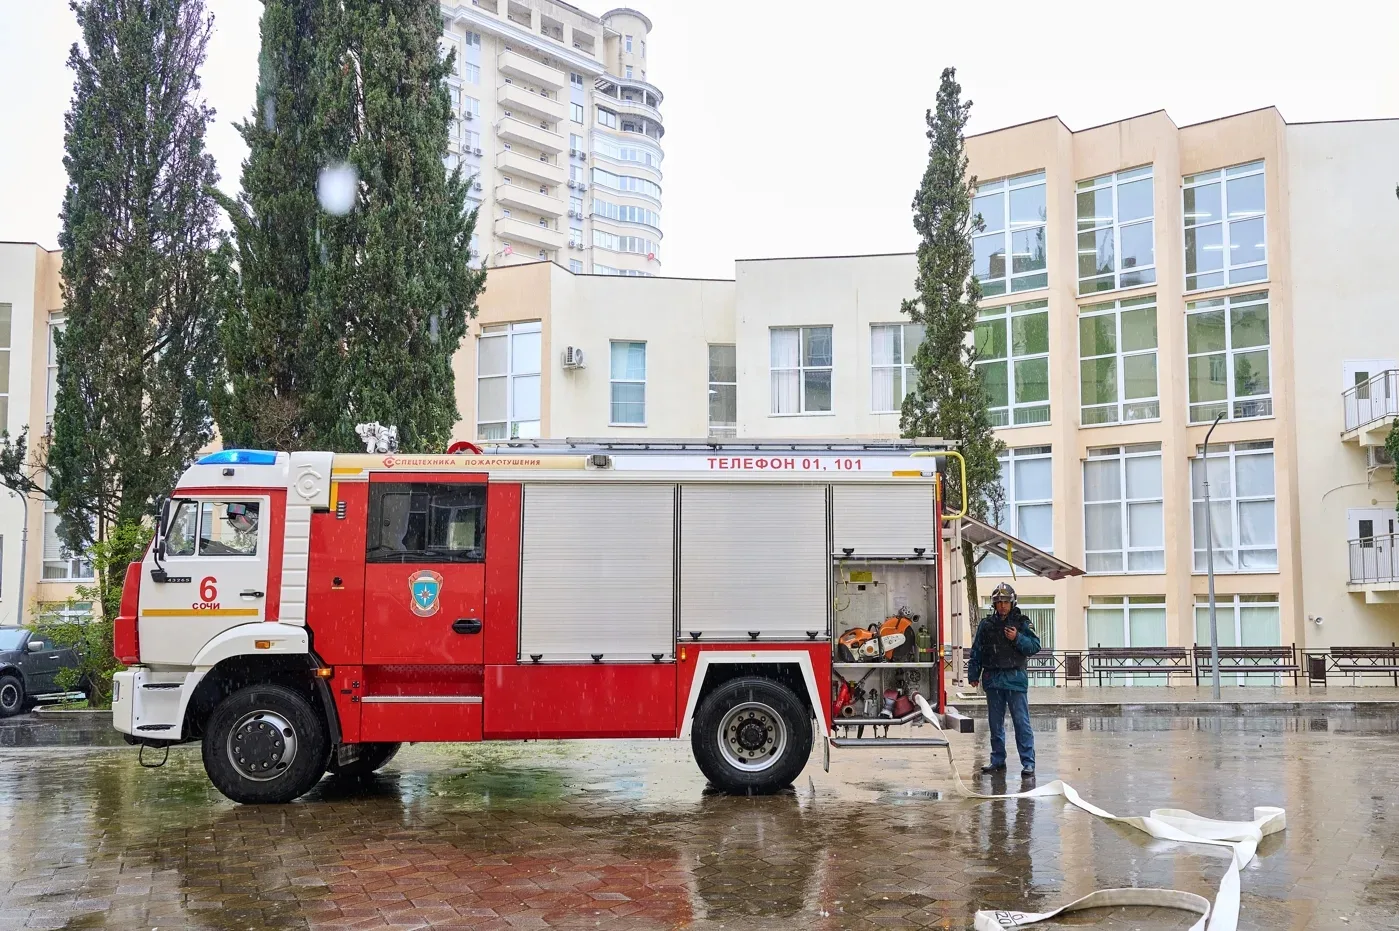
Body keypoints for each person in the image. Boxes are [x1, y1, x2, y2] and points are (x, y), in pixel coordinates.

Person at [967, 582, 1041, 777]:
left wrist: (1017, 638)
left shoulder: (1022, 622)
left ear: (1012, 602)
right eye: (998, 602)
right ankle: (997, 760)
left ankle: (1028, 762)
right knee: (995, 724)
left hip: (1015, 679)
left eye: (1005, 602)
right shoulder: (986, 625)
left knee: (1021, 722)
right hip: (993, 679)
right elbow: (977, 650)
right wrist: (973, 673)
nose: (1002, 605)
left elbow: (1035, 646)